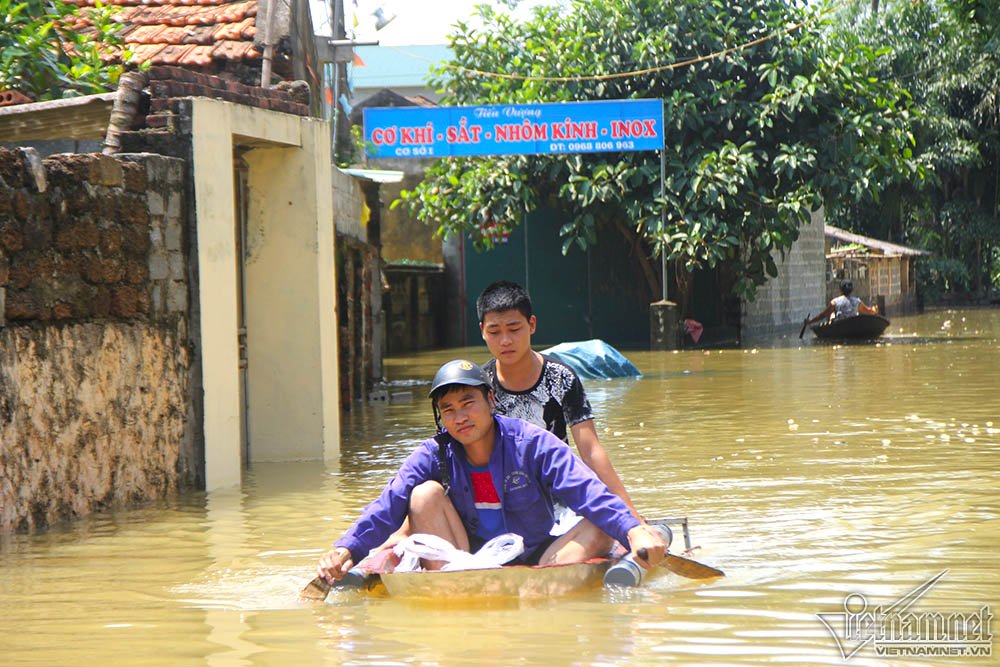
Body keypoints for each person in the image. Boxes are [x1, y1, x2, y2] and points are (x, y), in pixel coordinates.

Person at [316, 360, 665, 583]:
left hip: (536, 555)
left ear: (490, 401)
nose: (460, 417)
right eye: (448, 409)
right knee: (423, 495)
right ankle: (452, 588)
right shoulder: (434, 452)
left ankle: (545, 587)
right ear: (440, 418)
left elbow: (587, 490)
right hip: (466, 561)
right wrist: (346, 550)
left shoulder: (531, 442)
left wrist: (633, 530)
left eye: (468, 403)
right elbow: (388, 503)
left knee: (598, 521)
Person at [476, 280, 641, 520]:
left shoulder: (561, 377)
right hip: (502, 498)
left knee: (603, 525)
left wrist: (630, 515)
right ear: (482, 331)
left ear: (531, 325)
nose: (505, 341)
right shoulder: (479, 386)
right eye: (494, 332)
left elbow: (591, 450)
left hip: (556, 495)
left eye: (514, 329)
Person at [805, 279, 879, 326]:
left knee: (832, 316)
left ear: (840, 290)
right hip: (854, 324)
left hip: (840, 325)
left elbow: (823, 315)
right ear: (852, 290)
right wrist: (874, 309)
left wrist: (810, 321)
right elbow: (869, 311)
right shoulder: (857, 302)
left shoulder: (835, 302)